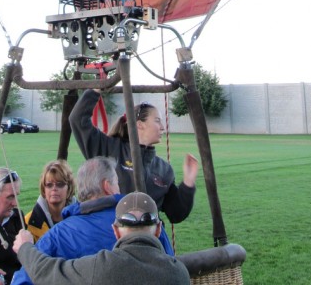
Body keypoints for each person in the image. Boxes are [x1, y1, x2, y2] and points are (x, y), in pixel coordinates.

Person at [10, 157, 173, 285]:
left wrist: (26, 249)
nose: (119, 188)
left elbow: (23, 280)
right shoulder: (148, 224)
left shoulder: (58, 235)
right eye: (117, 182)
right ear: (107, 186)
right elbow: (171, 264)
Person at [69, 90, 198, 223]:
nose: (162, 128)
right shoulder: (109, 149)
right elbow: (77, 119)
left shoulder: (164, 169)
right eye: (157, 121)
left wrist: (188, 182)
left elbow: (176, 214)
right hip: (110, 235)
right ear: (139, 124)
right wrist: (96, 90)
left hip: (148, 239)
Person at [13, 191, 190, 285]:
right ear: (158, 229)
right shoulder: (179, 273)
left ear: (116, 230)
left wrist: (25, 247)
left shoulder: (101, 267)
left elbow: (47, 271)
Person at [25, 159, 75, 242]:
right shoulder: (28, 222)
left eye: (60, 184)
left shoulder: (82, 217)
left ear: (69, 188)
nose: (54, 188)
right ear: (43, 190)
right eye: (49, 185)